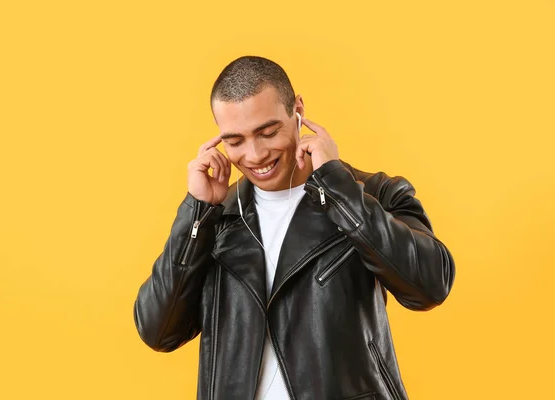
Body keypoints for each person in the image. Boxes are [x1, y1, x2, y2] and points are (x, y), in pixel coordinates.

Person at [133, 55, 455, 400]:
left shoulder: (373, 194)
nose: (254, 155)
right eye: (235, 141)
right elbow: (158, 331)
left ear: (297, 109)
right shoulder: (216, 216)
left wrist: (338, 188)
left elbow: (430, 285)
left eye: (267, 132)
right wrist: (197, 214)